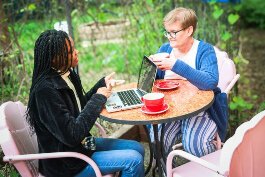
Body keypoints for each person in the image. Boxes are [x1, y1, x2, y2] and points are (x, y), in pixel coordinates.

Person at [26, 29, 145, 177]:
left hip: (83, 146)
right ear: (55, 59)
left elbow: (80, 106)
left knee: (137, 148)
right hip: (67, 163)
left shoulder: (66, 75)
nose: (77, 52)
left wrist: (101, 86)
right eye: (70, 52)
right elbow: (72, 135)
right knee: (134, 160)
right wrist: (99, 98)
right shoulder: (44, 91)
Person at [149, 7, 227, 158]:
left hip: (199, 108)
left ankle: (209, 170)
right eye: (167, 32)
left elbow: (210, 82)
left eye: (174, 32)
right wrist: (151, 67)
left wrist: (175, 65)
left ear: (189, 30)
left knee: (196, 144)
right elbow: (154, 84)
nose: (169, 37)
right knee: (158, 140)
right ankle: (166, 169)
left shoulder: (204, 50)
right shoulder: (165, 49)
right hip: (170, 109)